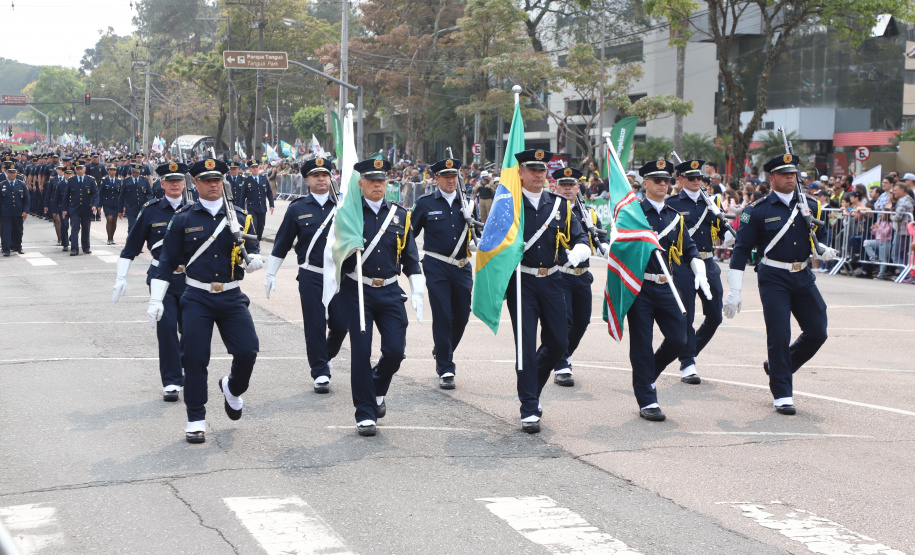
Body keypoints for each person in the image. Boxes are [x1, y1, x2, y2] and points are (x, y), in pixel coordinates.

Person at [148, 158, 264, 444]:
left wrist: (256, 262)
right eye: (207, 180)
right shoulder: (184, 219)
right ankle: (196, 418)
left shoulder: (240, 216)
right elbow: (167, 262)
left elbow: (254, 248)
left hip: (231, 294)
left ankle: (232, 388)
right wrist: (156, 299)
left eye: (217, 180)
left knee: (248, 350)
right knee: (196, 359)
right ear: (195, 184)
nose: (213, 185)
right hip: (197, 296)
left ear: (223, 183)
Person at [723, 153, 836, 415]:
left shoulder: (810, 205)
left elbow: (815, 238)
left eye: (793, 174)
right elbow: (741, 250)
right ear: (771, 178)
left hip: (803, 276)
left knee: (818, 331)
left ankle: (778, 368)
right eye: (784, 174)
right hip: (774, 277)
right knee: (779, 334)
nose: (790, 178)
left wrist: (822, 250)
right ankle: (783, 393)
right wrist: (735, 290)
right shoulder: (758, 210)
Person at [338, 158, 423, 437]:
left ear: (387, 184)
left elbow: (410, 258)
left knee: (395, 351)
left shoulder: (400, 215)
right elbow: (334, 252)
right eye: (371, 180)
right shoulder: (349, 213)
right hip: (357, 289)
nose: (377, 185)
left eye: (381, 181)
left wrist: (418, 289)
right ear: (360, 183)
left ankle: (376, 387)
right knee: (361, 351)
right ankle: (364, 412)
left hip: (389, 290)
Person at [506, 149, 589, 433]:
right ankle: (529, 406)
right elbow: (492, 244)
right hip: (522, 281)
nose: (539, 175)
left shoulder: (560, 206)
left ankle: (531, 387)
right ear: (521, 173)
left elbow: (579, 235)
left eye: (542, 170)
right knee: (526, 346)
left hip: (553, 280)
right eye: (532, 170)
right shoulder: (509, 205)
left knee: (557, 343)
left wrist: (579, 249)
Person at [627, 160, 709, 422]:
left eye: (667, 181)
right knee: (641, 344)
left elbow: (689, 248)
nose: (663, 185)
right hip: (640, 286)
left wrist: (699, 269)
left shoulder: (675, 216)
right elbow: (620, 245)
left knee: (679, 339)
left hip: (667, 285)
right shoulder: (633, 214)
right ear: (645, 184)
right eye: (657, 181)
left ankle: (647, 375)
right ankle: (647, 399)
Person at [265, 157, 347, 394]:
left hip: (339, 275)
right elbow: (282, 243)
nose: (321, 179)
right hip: (311, 274)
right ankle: (320, 371)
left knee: (341, 325)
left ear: (331, 177)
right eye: (316, 176)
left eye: (325, 175)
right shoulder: (297, 209)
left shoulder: (343, 207)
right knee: (315, 325)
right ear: (307, 180)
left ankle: (325, 355)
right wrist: (271, 273)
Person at [114, 162, 192, 402]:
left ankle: (185, 367)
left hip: (192, 278)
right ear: (162, 184)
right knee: (166, 328)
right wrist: (121, 276)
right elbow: (132, 245)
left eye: (179, 180)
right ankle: (171, 381)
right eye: (170, 181)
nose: (176, 184)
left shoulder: (196, 210)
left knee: (191, 330)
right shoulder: (151, 210)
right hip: (162, 277)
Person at [410, 157, 476, 390]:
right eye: (446, 176)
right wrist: (409, 265)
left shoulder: (468, 202)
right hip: (436, 266)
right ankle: (446, 368)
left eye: (454, 176)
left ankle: (442, 349)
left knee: (462, 316)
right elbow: (410, 235)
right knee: (443, 315)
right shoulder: (425, 203)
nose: (451, 180)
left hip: (461, 266)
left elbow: (477, 232)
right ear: (436, 178)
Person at [546, 167, 609, 387]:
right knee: (566, 320)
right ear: (555, 187)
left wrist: (608, 248)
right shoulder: (550, 211)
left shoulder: (589, 213)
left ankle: (565, 354)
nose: (567, 189)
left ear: (578, 187)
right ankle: (562, 364)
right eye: (563, 185)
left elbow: (600, 237)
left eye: (571, 185)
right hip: (560, 275)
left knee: (582, 321)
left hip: (582, 275)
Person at [665, 159, 726, 385]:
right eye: (691, 178)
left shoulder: (711, 202)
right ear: (680, 180)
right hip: (683, 264)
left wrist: (719, 215)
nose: (696, 181)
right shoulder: (671, 203)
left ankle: (689, 350)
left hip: (708, 263)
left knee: (715, 316)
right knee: (687, 315)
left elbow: (720, 233)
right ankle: (688, 362)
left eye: (699, 178)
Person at [61, 159, 100, 256]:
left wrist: (94, 205)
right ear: (75, 170)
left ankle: (86, 247)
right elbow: (66, 196)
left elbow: (95, 194)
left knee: (86, 228)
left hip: (86, 208)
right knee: (75, 227)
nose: (79, 171)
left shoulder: (90, 180)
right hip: (74, 209)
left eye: (81, 169)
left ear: (84, 169)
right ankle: (74, 248)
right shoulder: (71, 181)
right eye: (77, 169)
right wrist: (64, 209)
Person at [0, 161, 30, 256]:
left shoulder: (21, 185)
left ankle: (18, 247)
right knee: (6, 231)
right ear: (7, 173)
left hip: (18, 212)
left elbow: (27, 199)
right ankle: (6, 249)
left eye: (14, 172)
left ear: (16, 173)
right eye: (10, 172)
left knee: (18, 231)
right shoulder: (2, 185)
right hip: (6, 213)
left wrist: (25, 211)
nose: (12, 174)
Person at [244, 161, 274, 240]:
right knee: (254, 226)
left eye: (256, 167)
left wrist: (272, 205)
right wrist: (241, 209)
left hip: (261, 207)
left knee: (261, 226)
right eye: (253, 168)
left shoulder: (263, 179)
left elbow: (269, 192)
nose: (255, 169)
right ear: (250, 169)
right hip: (252, 208)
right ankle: (255, 244)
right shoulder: (247, 180)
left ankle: (258, 241)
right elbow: (242, 196)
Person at [119, 163, 152, 232]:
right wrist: (120, 210)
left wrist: (148, 202)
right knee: (132, 226)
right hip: (131, 208)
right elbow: (122, 196)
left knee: (141, 227)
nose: (136, 174)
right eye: (134, 172)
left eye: (137, 172)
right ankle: (130, 241)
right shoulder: (126, 181)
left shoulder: (145, 180)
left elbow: (150, 193)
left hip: (142, 208)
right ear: (131, 171)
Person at [98, 164, 121, 245]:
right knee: (109, 219)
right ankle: (109, 238)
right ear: (108, 171)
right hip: (107, 203)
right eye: (110, 170)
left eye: (113, 170)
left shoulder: (119, 181)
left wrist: (122, 205)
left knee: (114, 220)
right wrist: (99, 205)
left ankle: (112, 237)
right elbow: (100, 194)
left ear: (115, 171)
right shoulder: (104, 180)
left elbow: (121, 194)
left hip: (116, 203)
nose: (112, 172)